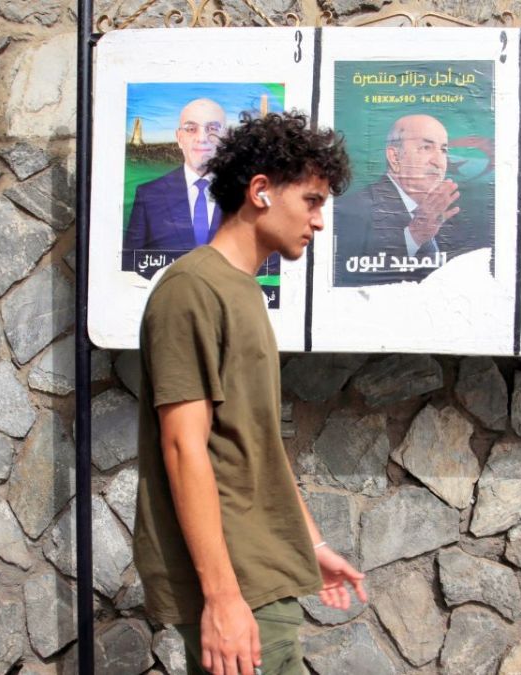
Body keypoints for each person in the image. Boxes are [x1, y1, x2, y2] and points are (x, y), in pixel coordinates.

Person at [133, 111, 363, 675]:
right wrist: (221, 598)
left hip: (260, 568)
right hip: (239, 581)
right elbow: (183, 447)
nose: (319, 221)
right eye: (312, 201)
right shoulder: (192, 289)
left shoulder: (241, 290)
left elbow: (253, 444)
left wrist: (311, 544)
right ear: (260, 191)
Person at [333, 113, 461, 285]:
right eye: (426, 147)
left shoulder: (451, 216)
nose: (439, 162)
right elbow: (349, 281)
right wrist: (414, 236)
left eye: (443, 150)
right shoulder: (351, 212)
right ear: (395, 157)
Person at [123, 98, 227, 273]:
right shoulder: (148, 195)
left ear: (225, 137)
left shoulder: (246, 196)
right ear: (179, 138)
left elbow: (270, 269)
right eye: (191, 129)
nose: (202, 138)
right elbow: (130, 266)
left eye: (212, 129)